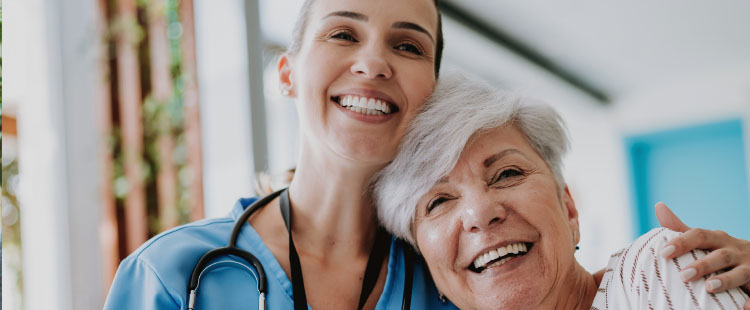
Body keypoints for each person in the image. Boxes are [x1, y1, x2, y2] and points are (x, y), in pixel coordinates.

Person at [105, 0, 750, 308]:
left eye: (409, 46)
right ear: (286, 74)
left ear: (428, 88)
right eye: (341, 32)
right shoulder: (173, 275)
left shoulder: (450, 274)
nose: (373, 61)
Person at [373, 73, 750, 309]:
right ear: (426, 262)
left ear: (568, 209)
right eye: (438, 201)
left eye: (506, 173)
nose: (479, 212)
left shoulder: (652, 271)